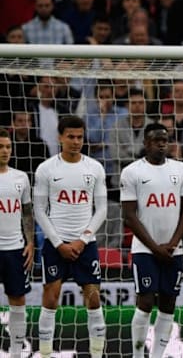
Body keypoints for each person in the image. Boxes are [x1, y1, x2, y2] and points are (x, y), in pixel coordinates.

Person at [34, 116, 107, 358]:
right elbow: (39, 210)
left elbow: (103, 209)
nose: (76, 142)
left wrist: (82, 239)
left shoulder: (95, 168)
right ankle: (44, 354)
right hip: (56, 245)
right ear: (60, 137)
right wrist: (58, 243)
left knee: (94, 300)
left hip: (85, 244)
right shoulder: (46, 169)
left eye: (80, 137)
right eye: (71, 137)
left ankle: (97, 354)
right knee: (50, 298)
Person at [120, 123, 183, 358]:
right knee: (145, 302)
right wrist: (154, 247)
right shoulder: (132, 172)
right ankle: (137, 355)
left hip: (174, 249)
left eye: (165, 140)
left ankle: (157, 355)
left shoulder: (181, 169)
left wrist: (173, 242)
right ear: (146, 143)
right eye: (156, 140)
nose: (162, 144)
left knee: (169, 305)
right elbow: (129, 215)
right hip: (144, 250)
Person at [0, 128, 33, 358]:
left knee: (18, 300)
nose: (5, 151)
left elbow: (27, 213)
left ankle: (15, 354)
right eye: (0, 147)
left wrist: (30, 242)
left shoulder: (21, 177)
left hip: (15, 248)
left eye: (7, 147)